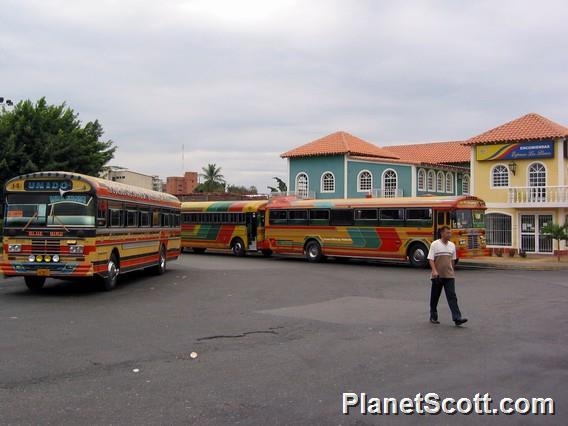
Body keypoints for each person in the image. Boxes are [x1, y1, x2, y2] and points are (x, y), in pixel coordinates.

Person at [427, 225, 468, 326]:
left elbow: (453, 260)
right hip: (437, 275)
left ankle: (457, 318)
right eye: (447, 233)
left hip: (449, 276)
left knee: (452, 296)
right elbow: (431, 259)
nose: (449, 234)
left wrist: (452, 270)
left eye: (450, 233)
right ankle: (433, 316)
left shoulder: (452, 245)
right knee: (435, 297)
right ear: (442, 233)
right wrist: (434, 271)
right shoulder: (435, 244)